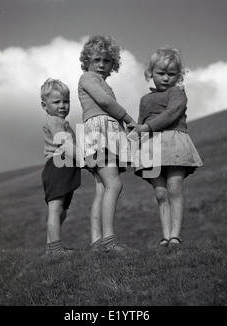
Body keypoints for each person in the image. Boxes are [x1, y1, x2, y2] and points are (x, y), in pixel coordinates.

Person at [128, 47, 203, 247]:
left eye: (171, 74)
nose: (166, 78)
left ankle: (175, 237)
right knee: (160, 194)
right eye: (161, 73)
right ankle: (166, 236)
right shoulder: (144, 99)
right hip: (150, 149)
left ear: (178, 76)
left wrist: (144, 127)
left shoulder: (177, 92)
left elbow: (171, 113)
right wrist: (134, 141)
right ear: (150, 74)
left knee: (174, 188)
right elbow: (140, 125)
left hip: (174, 144)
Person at [78, 34, 137, 253]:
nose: (101, 65)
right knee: (114, 184)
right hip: (101, 132)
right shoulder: (89, 78)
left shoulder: (98, 81)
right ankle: (110, 241)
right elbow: (104, 102)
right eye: (96, 60)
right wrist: (128, 119)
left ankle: (96, 242)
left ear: (113, 64)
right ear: (87, 62)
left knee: (102, 187)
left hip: (101, 133)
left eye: (107, 60)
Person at [41, 78, 81, 256]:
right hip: (58, 165)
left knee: (61, 211)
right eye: (56, 102)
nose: (62, 106)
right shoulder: (55, 121)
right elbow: (63, 144)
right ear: (44, 105)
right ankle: (56, 250)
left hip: (65, 166)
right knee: (56, 209)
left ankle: (51, 250)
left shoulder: (61, 122)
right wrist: (84, 159)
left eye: (66, 101)